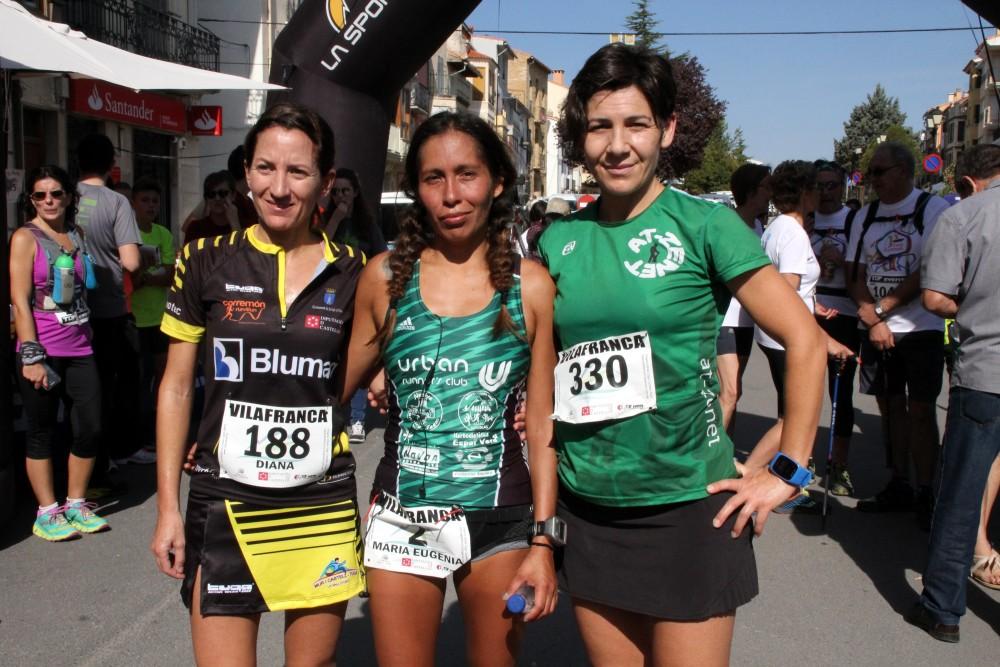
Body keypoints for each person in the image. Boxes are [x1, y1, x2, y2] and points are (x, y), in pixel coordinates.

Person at [538, 43, 827, 666]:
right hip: (589, 509)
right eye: (600, 126)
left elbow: (805, 340)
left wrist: (789, 471)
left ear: (666, 129)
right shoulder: (558, 239)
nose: (618, 146)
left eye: (636, 124)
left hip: (691, 508)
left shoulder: (705, 225)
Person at [150, 103, 367, 666]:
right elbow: (176, 387)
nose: (279, 188)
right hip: (226, 500)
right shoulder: (204, 260)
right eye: (266, 168)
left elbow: (384, 373)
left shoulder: (356, 271)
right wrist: (168, 508)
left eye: (298, 172)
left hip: (319, 502)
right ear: (246, 171)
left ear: (325, 181)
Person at [340, 111, 559, 666]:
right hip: (403, 512)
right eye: (433, 178)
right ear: (416, 188)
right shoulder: (384, 278)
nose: (451, 195)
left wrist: (544, 539)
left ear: (498, 182)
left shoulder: (530, 285)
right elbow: (331, 387)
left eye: (467, 174)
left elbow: (543, 425)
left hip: (500, 514)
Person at [907, 143, 1000, 642]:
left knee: (961, 492)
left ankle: (942, 608)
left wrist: (972, 306)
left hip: (986, 374)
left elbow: (935, 297)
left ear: (967, 182)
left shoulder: (964, 216)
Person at [845, 141, 950, 530]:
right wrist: (874, 320)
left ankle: (927, 490)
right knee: (890, 409)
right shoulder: (866, 214)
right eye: (871, 172)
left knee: (921, 411)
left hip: (920, 328)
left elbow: (930, 270)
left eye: (879, 172)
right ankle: (899, 482)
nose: (872, 179)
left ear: (904, 171)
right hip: (877, 329)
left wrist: (883, 309)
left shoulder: (932, 209)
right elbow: (855, 273)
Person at [10, 165, 108, 540]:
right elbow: (20, 300)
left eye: (56, 193)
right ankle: (47, 512)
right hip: (42, 350)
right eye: (40, 195)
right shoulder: (25, 237)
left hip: (80, 347)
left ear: (69, 196)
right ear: (31, 200)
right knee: (41, 431)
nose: (49, 201)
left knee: (90, 426)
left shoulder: (75, 234)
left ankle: (76, 503)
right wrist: (31, 356)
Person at [74, 133, 143, 495]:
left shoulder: (61, 196)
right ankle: (98, 472)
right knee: (104, 392)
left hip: (67, 312)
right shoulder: (117, 202)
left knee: (74, 396)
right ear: (111, 163)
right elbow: (130, 261)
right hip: (108, 310)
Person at [322, 167, 387, 444]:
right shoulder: (325, 222)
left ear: (355, 193)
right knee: (331, 356)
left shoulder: (366, 225)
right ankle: (331, 414)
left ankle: (357, 418)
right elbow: (319, 251)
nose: (341, 196)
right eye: (336, 192)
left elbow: (382, 257)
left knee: (357, 356)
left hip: (359, 299)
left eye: (345, 191)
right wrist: (335, 218)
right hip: (331, 299)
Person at [810, 160, 861, 496]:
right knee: (805, 391)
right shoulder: (806, 220)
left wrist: (840, 261)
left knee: (840, 394)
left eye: (832, 185)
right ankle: (801, 459)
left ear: (842, 187)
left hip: (845, 314)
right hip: (810, 313)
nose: (826, 192)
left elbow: (866, 266)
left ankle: (839, 464)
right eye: (820, 186)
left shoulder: (854, 220)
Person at [717, 163, 771, 434]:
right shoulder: (728, 224)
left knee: (734, 392)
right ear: (751, 192)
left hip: (746, 321)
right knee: (728, 391)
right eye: (767, 187)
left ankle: (727, 446)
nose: (771, 193)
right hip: (725, 319)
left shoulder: (759, 225)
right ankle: (713, 451)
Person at [127, 178, 175, 462]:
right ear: (133, 204)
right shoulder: (126, 234)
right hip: (134, 318)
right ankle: (138, 435)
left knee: (162, 377)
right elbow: (128, 277)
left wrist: (144, 277)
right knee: (138, 380)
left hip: (160, 318)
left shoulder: (163, 233)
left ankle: (159, 431)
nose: (151, 206)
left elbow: (169, 274)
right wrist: (145, 276)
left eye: (155, 201)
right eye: (145, 200)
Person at [183, 171, 241, 244]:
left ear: (233, 195)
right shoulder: (195, 228)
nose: (217, 198)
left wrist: (235, 224)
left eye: (222, 193)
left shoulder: (246, 226)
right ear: (206, 199)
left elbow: (242, 250)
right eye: (211, 194)